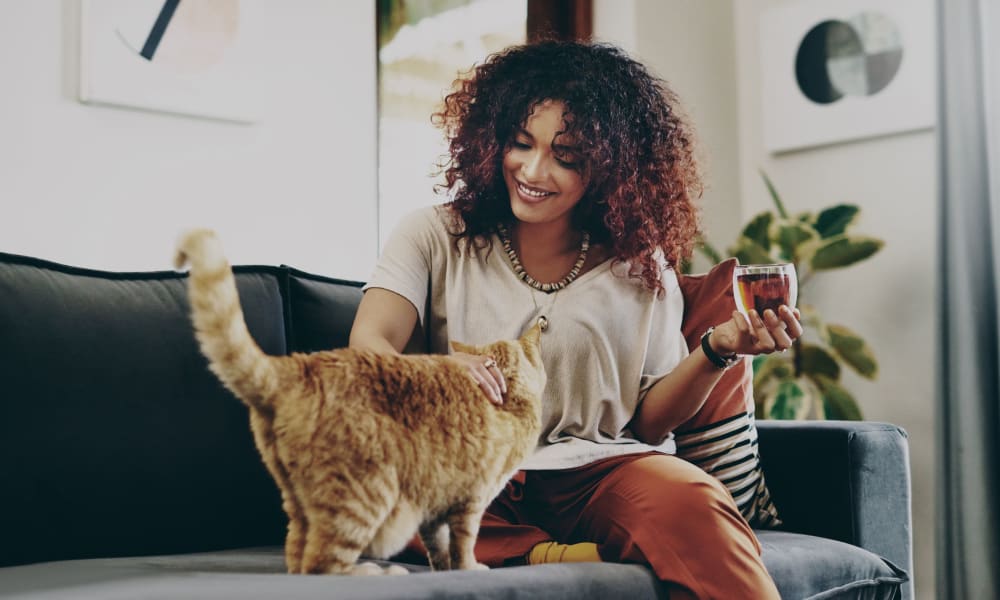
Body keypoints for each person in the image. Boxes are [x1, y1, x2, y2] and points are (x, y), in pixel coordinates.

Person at [349, 39, 802, 599]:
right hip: (474, 467)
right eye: (521, 144)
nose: (534, 170)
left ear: (612, 169)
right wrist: (437, 375)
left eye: (567, 158)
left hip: (602, 471)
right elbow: (370, 344)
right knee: (389, 495)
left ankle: (538, 547)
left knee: (694, 500)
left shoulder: (641, 265)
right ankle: (544, 553)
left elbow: (651, 424)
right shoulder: (434, 234)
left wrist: (717, 348)